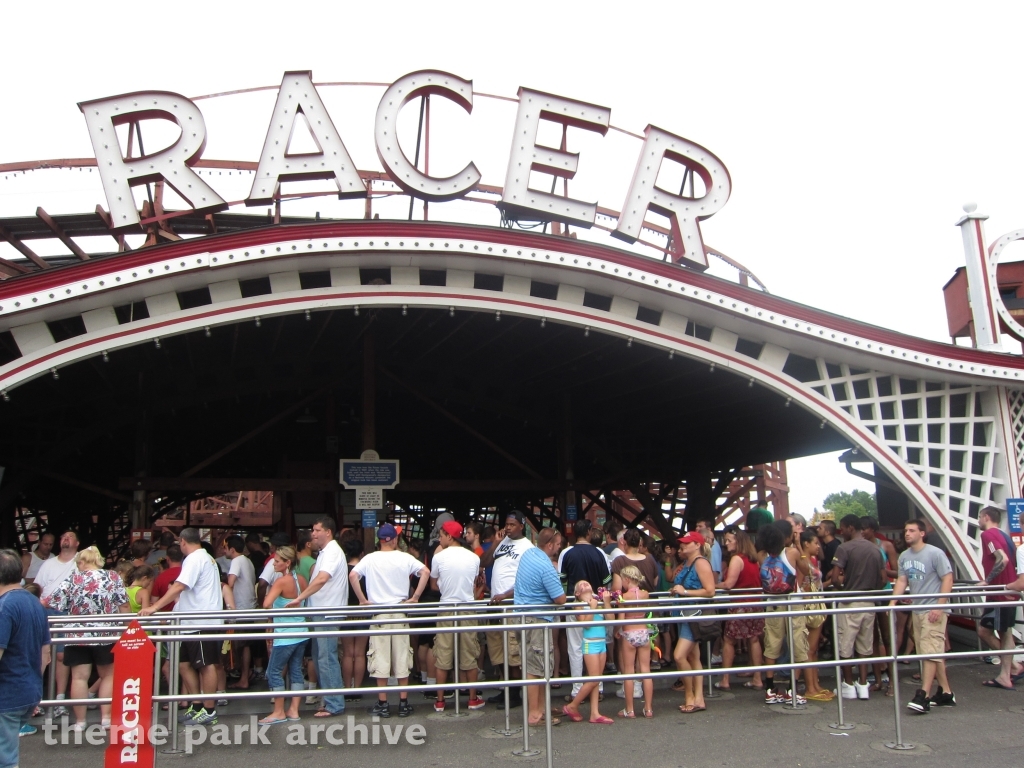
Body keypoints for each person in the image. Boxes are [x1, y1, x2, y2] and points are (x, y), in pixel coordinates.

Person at [140, 528, 224, 726]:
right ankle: (196, 705)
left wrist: (155, 607)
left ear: (183, 542)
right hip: (190, 620)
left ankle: (209, 709)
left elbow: (179, 585)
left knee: (206, 665)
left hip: (201, 620)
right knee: (183, 663)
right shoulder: (205, 558)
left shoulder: (195, 559)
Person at [45, 545, 129, 731]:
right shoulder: (112, 577)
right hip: (106, 634)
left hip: (77, 635)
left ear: (82, 562)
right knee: (108, 676)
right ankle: (106, 717)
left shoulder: (73, 579)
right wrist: (126, 628)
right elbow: (124, 605)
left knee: (79, 678)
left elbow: (53, 602)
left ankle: (81, 722)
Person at [349, 523, 428, 718]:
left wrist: (362, 600)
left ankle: (383, 703)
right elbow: (425, 571)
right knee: (402, 657)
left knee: (380, 658)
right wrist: (415, 597)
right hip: (400, 611)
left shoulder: (370, 558)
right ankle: (403, 702)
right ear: (393, 540)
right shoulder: (404, 557)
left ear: (379, 540)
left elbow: (353, 575)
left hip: (379, 613)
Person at [286, 516, 348, 718]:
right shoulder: (325, 552)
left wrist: (300, 598)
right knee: (323, 657)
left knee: (326, 657)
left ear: (328, 532)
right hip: (322, 611)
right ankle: (329, 700)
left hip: (327, 612)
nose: (313, 534)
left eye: (316, 530)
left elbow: (322, 578)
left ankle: (334, 703)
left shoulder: (331, 552)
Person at [892, 519, 956, 713]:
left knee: (929, 652)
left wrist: (940, 605)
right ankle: (946, 692)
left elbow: (948, 578)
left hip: (933, 609)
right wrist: (892, 602)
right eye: (905, 530)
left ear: (922, 533)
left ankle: (924, 695)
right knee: (930, 652)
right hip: (918, 609)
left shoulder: (935, 553)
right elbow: (903, 580)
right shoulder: (904, 556)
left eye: (911, 530)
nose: (907, 534)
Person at [0, 549, 51, 761]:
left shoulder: (4, 607)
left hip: (7, 694)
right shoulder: (34, 603)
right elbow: (45, 653)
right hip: (29, 691)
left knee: (5, 759)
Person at [430, 520, 485, 712]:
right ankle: (472, 698)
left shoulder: (439, 557)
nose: (439, 538)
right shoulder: (473, 558)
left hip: (446, 607)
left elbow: (434, 584)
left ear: (449, 536)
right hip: (468, 607)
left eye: (442, 534)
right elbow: (473, 583)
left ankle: (440, 701)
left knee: (443, 654)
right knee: (469, 652)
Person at [480, 511, 534, 708]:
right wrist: (495, 543)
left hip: (511, 604)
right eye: (506, 524)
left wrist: (506, 595)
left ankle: (515, 694)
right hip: (496, 604)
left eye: (512, 524)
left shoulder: (527, 548)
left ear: (521, 526)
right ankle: (506, 689)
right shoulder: (502, 542)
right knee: (498, 651)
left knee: (513, 652)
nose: (508, 528)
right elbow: (484, 563)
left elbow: (527, 580)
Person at [513, 527, 566, 726]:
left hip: (521, 616)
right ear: (550, 545)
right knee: (537, 667)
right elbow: (560, 598)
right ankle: (535, 713)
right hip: (537, 620)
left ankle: (541, 707)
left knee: (532, 663)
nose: (559, 548)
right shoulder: (546, 567)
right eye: (558, 544)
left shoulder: (528, 554)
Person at [832, 514, 885, 700]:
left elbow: (834, 577)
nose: (842, 531)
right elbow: (883, 578)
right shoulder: (875, 549)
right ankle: (863, 683)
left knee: (845, 645)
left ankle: (847, 684)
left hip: (849, 601)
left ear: (850, 528)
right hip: (869, 601)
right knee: (865, 645)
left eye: (843, 528)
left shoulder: (844, 548)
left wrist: (842, 586)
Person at [756, 522, 808, 705]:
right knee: (796, 643)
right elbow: (807, 570)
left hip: (772, 603)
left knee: (772, 644)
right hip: (792, 603)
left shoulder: (762, 555)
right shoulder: (792, 553)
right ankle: (792, 689)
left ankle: (770, 689)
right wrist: (799, 545)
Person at [561, 520, 611, 703]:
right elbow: (606, 580)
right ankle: (599, 688)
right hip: (596, 605)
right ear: (589, 532)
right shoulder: (599, 553)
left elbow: (563, 580)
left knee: (575, 647)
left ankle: (577, 690)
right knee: (598, 646)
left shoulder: (567, 553)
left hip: (575, 604)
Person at [259, 546, 308, 725]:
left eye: (278, 561)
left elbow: (266, 604)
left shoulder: (281, 582)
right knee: (296, 670)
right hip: (301, 632)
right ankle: (294, 710)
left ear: (287, 563)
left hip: (285, 634)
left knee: (273, 671)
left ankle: (278, 711)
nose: (274, 563)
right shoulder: (301, 580)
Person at [669, 531, 716, 713]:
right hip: (684, 613)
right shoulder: (687, 563)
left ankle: (690, 695)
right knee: (693, 657)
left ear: (697, 545)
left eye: (687, 543)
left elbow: (710, 590)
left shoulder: (701, 563)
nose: (683, 546)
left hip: (693, 614)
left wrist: (685, 592)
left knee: (679, 656)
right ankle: (699, 698)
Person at [33, 530, 79, 716]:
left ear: (77, 543)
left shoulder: (81, 562)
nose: (66, 539)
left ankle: (59, 699)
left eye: (70, 536)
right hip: (46, 611)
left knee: (62, 656)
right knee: (42, 654)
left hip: (68, 612)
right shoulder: (48, 564)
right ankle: (35, 700)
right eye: (63, 536)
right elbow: (38, 588)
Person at [714, 528, 764, 690]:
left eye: (729, 540)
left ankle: (725, 679)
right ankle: (757, 677)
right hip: (755, 603)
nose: (726, 543)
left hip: (740, 604)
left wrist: (713, 585)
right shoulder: (753, 559)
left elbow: (729, 584)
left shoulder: (736, 559)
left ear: (738, 541)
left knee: (729, 639)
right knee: (754, 639)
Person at [974, 506, 1018, 689]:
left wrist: (987, 580)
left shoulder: (988, 535)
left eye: (979, 517)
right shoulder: (1005, 535)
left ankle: (1009, 671)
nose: (978, 521)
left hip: (999, 592)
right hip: (1009, 592)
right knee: (1005, 631)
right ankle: (1010, 670)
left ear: (986, 517)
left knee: (984, 631)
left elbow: (1002, 559)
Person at [562, 580, 613, 724]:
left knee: (597, 678)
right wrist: (592, 608)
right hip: (590, 644)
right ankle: (573, 705)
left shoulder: (598, 601)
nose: (584, 584)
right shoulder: (578, 605)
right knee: (594, 678)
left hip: (601, 642)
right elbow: (586, 624)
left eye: (586, 583)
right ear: (577, 593)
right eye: (580, 585)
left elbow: (610, 619)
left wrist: (606, 602)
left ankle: (595, 713)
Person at [797, 531, 832, 701]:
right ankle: (810, 688)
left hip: (817, 603)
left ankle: (815, 684)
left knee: (814, 648)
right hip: (809, 605)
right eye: (815, 543)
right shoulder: (803, 561)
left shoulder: (813, 560)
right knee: (809, 649)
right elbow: (798, 584)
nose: (818, 546)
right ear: (806, 544)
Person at [616, 566, 654, 718]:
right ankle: (648, 708)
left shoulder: (624, 597)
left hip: (629, 632)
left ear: (627, 579)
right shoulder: (645, 594)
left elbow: (621, 619)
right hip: (644, 632)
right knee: (646, 670)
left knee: (629, 671)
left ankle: (630, 709)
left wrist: (617, 631)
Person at [224, 535, 258, 690]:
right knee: (245, 645)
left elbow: (230, 583)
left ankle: (244, 677)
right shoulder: (248, 561)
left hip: (241, 609)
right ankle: (246, 674)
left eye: (225, 547)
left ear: (232, 549)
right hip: (249, 607)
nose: (224, 550)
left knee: (241, 645)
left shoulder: (236, 561)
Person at [340, 538, 368, 701]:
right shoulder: (365, 571)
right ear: (362, 553)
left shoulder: (343, 572)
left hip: (346, 613)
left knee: (347, 653)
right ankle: (357, 689)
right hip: (363, 613)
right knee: (359, 654)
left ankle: (347, 687)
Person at [150, 543, 183, 612]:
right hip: (185, 615)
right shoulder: (189, 575)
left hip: (166, 618)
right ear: (182, 556)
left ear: (167, 558)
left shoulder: (160, 578)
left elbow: (153, 602)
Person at [816, 520, 841, 586]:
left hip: (831, 583)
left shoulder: (836, 546)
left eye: (820, 528)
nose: (817, 529)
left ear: (827, 532)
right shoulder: (823, 545)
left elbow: (841, 567)